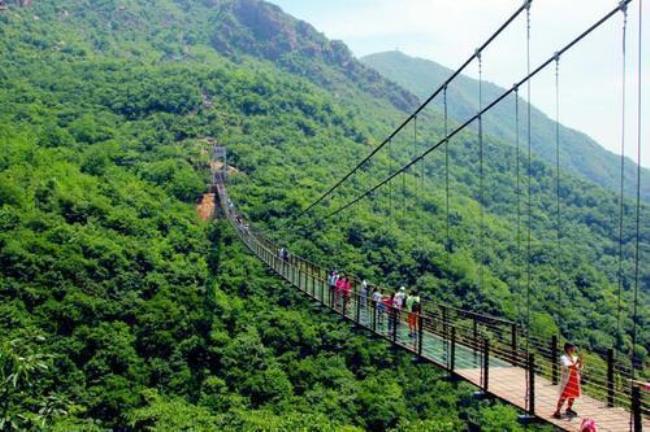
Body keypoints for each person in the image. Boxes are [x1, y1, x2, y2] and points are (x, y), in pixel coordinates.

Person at [553, 343, 583, 419]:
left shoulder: (575, 357)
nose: (573, 350)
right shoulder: (563, 358)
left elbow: (579, 368)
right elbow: (568, 366)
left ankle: (569, 408)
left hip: (575, 378)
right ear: (567, 349)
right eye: (571, 348)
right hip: (567, 379)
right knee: (564, 395)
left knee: (572, 395)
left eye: (573, 349)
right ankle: (557, 411)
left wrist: (581, 361)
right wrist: (577, 362)